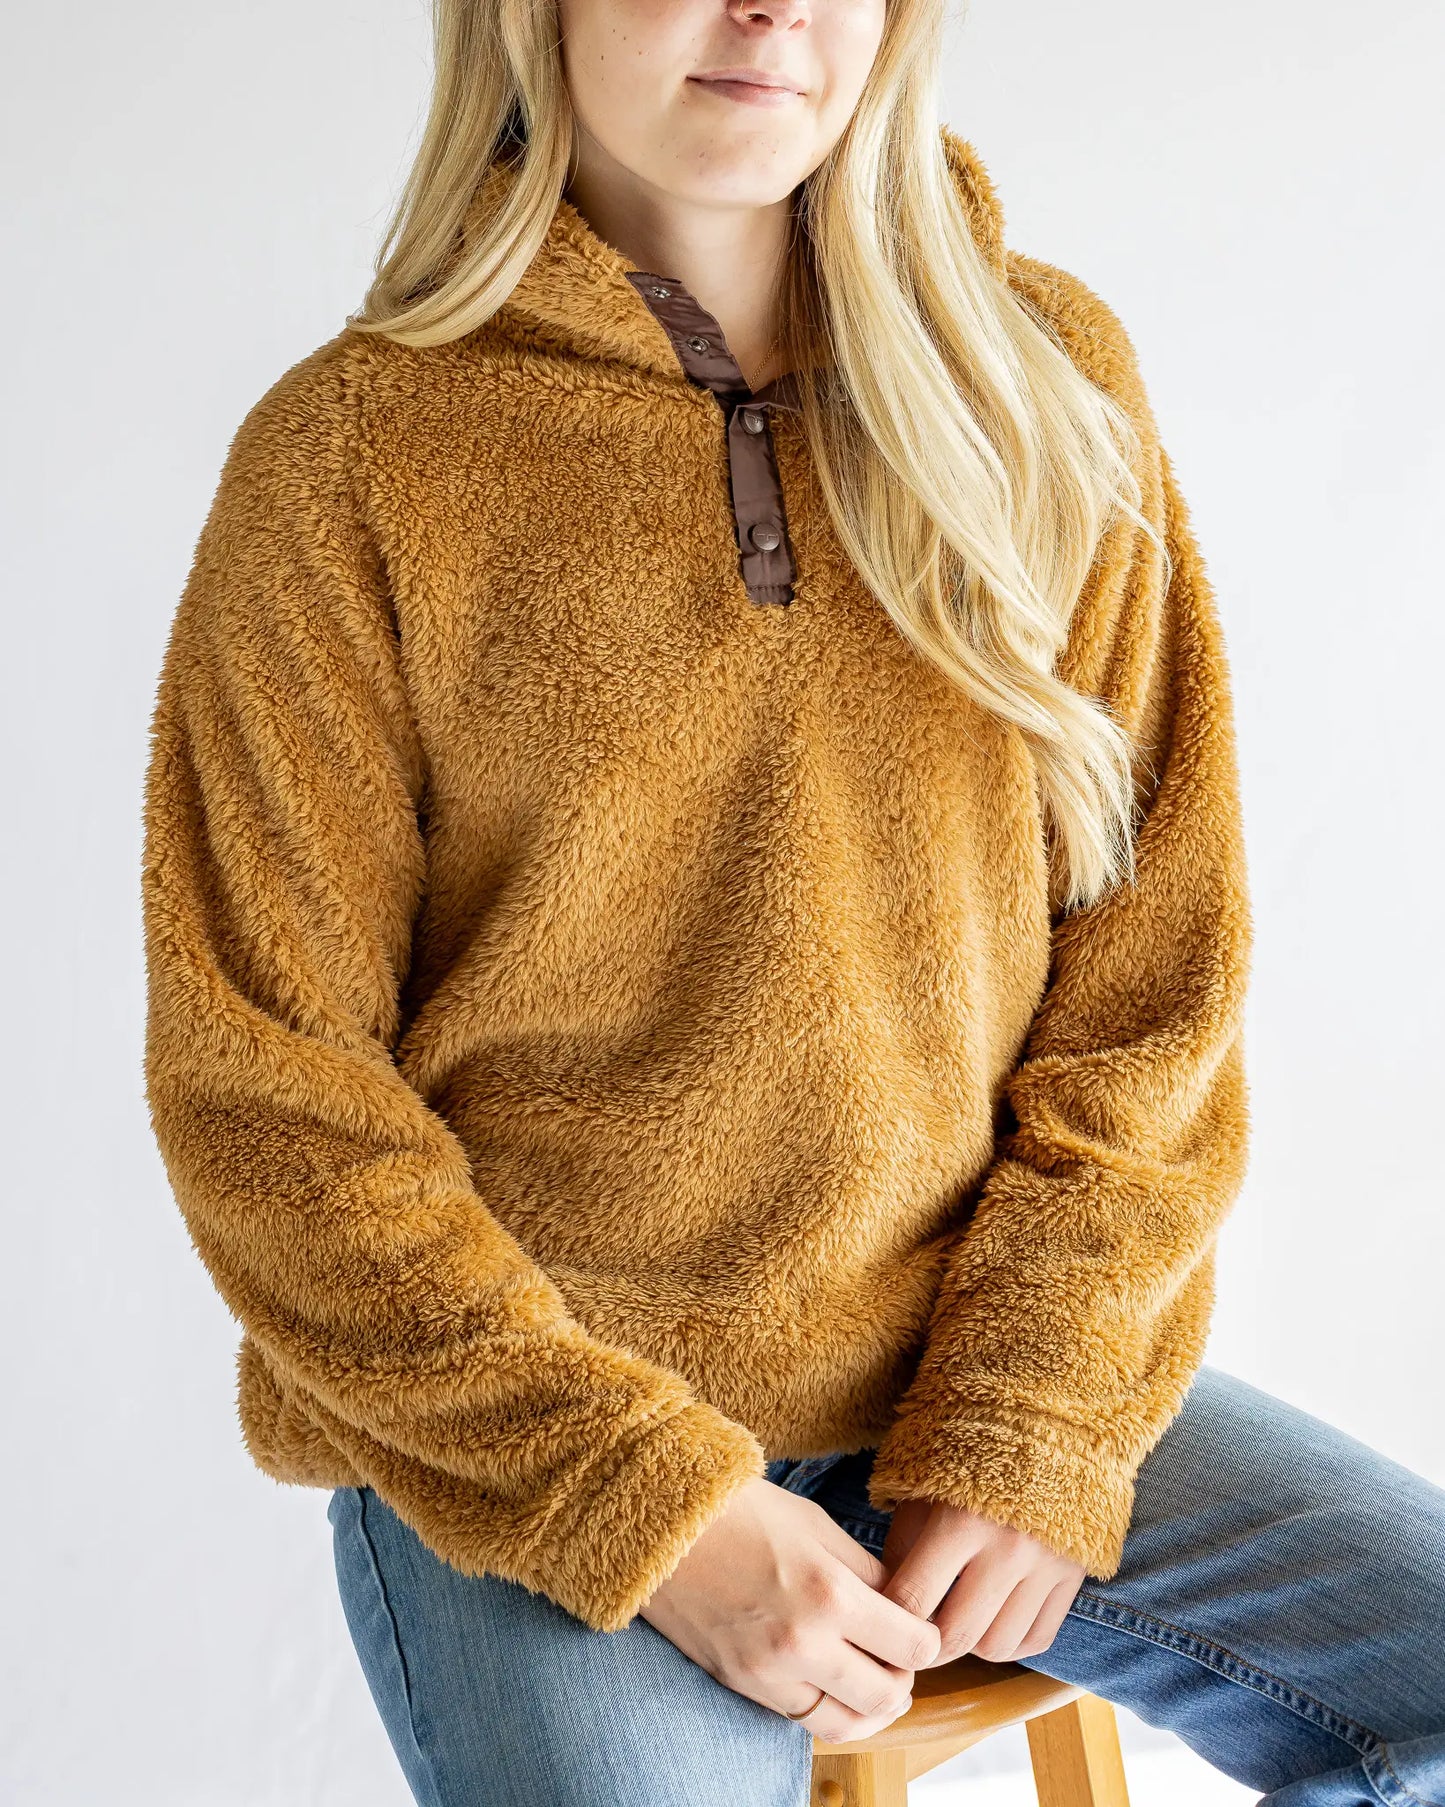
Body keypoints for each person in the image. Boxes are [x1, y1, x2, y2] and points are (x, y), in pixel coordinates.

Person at [139, 1, 1445, 1803]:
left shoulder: (1039, 380)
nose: (774, 10)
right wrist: (641, 1500)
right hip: (530, 1433)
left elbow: (1153, 985)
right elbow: (267, 1094)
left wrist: (1033, 1411)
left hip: (961, 1363)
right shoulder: (351, 455)